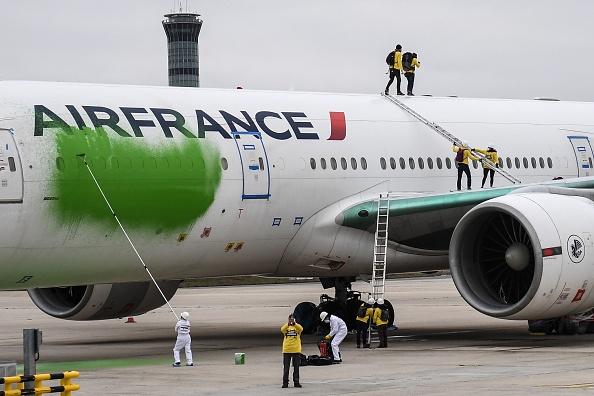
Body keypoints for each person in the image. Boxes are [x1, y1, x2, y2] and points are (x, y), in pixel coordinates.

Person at [281, 313, 303, 388]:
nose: (291, 320)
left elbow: (301, 329)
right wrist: (288, 324)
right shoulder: (286, 327)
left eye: (293, 319)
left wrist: (295, 324)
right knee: (286, 368)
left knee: (296, 367)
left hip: (296, 349)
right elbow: (282, 329)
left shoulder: (297, 328)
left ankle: (296, 382)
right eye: (290, 319)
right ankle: (285, 382)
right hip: (287, 349)